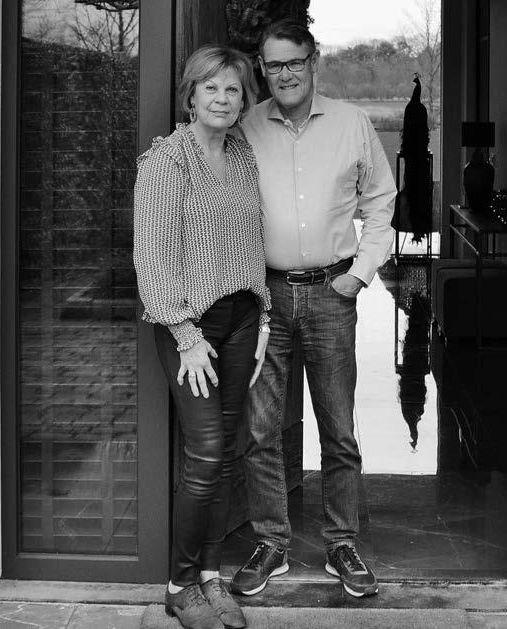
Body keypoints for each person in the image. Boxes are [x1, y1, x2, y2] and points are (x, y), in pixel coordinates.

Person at [229, 19, 396, 599]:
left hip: (332, 292)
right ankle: (271, 543)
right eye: (273, 65)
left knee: (338, 427)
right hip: (265, 295)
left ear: (313, 62)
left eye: (294, 62)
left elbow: (381, 203)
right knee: (261, 428)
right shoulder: (246, 127)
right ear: (262, 68)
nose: (285, 74)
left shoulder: (352, 124)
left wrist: (359, 274)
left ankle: (341, 543)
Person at [134, 45, 271, 629]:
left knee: (228, 449)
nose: (222, 98)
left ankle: (212, 576)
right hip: (190, 326)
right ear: (190, 95)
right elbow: (152, 256)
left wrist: (263, 320)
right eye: (210, 87)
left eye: (232, 89)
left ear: (243, 100)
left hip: (242, 319)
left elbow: (253, 239)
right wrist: (185, 334)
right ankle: (179, 584)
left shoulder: (241, 154)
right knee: (207, 451)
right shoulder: (165, 162)